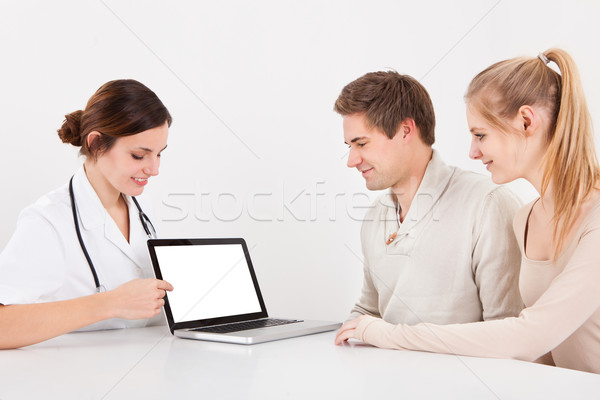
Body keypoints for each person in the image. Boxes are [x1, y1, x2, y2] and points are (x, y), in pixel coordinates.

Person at [335, 49, 600, 374]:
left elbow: (525, 337)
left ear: (526, 121)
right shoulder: (527, 218)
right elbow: (542, 357)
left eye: (480, 135)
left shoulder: (495, 206)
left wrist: (391, 335)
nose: (472, 151)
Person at [334, 72, 523, 329]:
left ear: (405, 130)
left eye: (362, 144)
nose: (351, 160)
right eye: (349, 146)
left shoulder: (488, 204)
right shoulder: (375, 216)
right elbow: (369, 311)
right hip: (387, 368)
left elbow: (506, 331)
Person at [0, 79, 174, 349]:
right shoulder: (47, 221)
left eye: (159, 155)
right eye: (140, 155)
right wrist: (112, 303)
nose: (154, 169)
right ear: (96, 144)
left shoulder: (142, 208)